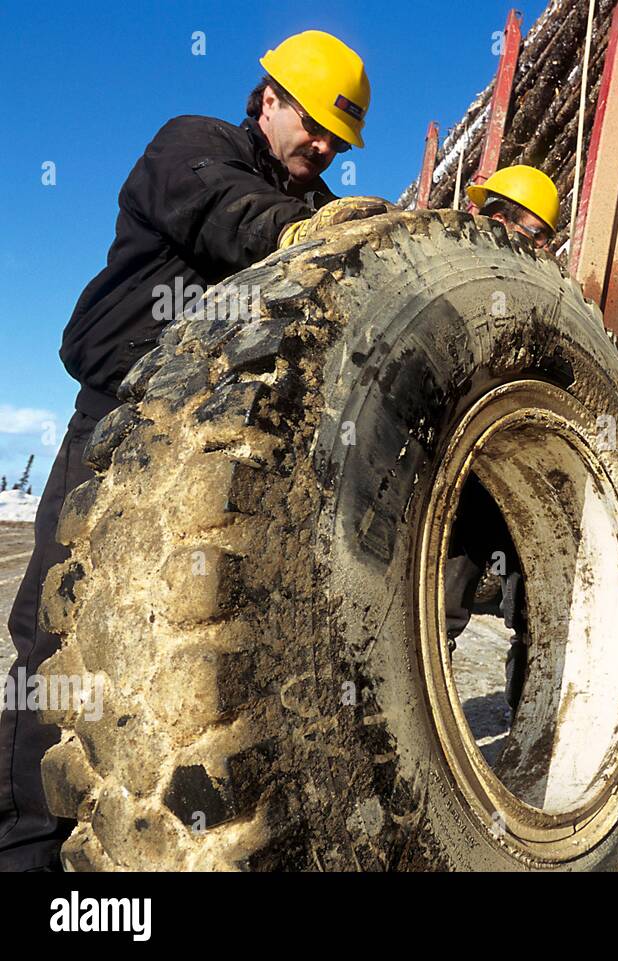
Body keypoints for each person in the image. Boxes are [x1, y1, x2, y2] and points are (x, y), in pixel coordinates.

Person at [0, 29, 389, 872]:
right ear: (271, 98)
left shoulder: (308, 200)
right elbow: (227, 214)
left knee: (204, 643)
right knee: (52, 631)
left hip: (225, 450)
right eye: (314, 124)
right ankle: (25, 844)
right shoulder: (195, 146)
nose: (321, 146)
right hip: (119, 419)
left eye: (336, 140)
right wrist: (324, 232)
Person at [441, 165, 561, 724]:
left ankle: (535, 725)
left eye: (545, 238)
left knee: (536, 609)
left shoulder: (548, 295)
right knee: (443, 602)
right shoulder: (453, 277)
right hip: (465, 476)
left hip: (521, 477)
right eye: (533, 234)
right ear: (496, 218)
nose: (540, 248)